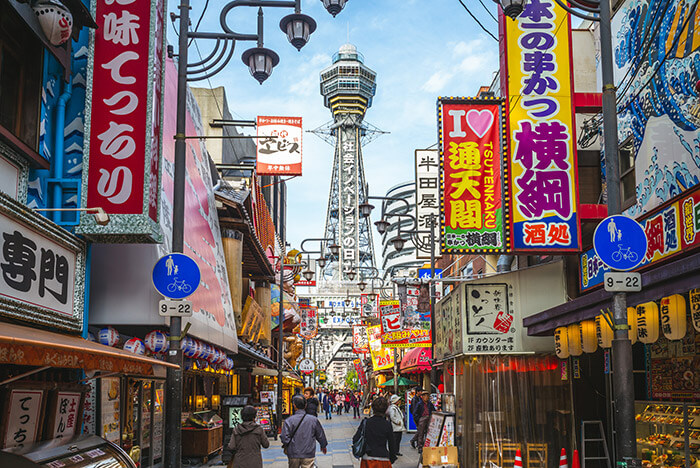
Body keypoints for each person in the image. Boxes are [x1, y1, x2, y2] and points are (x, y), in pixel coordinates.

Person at [281, 396, 328, 468]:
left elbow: (284, 437)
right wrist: (323, 445)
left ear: (294, 405)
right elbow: (320, 434)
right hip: (308, 452)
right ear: (305, 405)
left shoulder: (289, 421)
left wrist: (290, 445)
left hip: (294, 453)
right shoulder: (313, 420)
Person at [353, 396, 397, 467]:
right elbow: (392, 444)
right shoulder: (387, 424)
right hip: (383, 459)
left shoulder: (366, 422)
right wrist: (392, 458)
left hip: (367, 459)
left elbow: (355, 439)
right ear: (386, 409)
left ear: (373, 408)